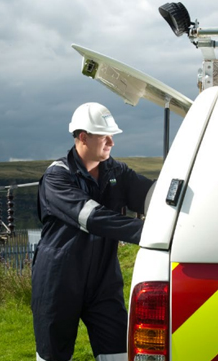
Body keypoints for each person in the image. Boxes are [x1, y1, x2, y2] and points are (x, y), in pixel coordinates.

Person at [32, 102, 154, 361]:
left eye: (112, 135)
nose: (111, 141)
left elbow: (151, 195)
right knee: (53, 355)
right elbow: (92, 218)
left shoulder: (116, 171)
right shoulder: (57, 177)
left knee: (119, 353)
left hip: (103, 280)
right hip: (59, 280)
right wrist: (150, 232)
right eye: (104, 135)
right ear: (83, 137)